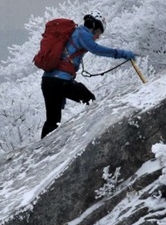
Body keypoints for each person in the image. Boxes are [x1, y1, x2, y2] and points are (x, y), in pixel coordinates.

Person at [40, 10, 136, 138]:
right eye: (99, 33)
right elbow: (96, 49)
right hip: (60, 81)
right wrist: (122, 54)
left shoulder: (75, 33)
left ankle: (42, 151)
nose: (98, 37)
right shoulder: (82, 34)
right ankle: (95, 135)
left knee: (52, 120)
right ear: (95, 26)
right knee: (90, 100)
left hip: (48, 80)